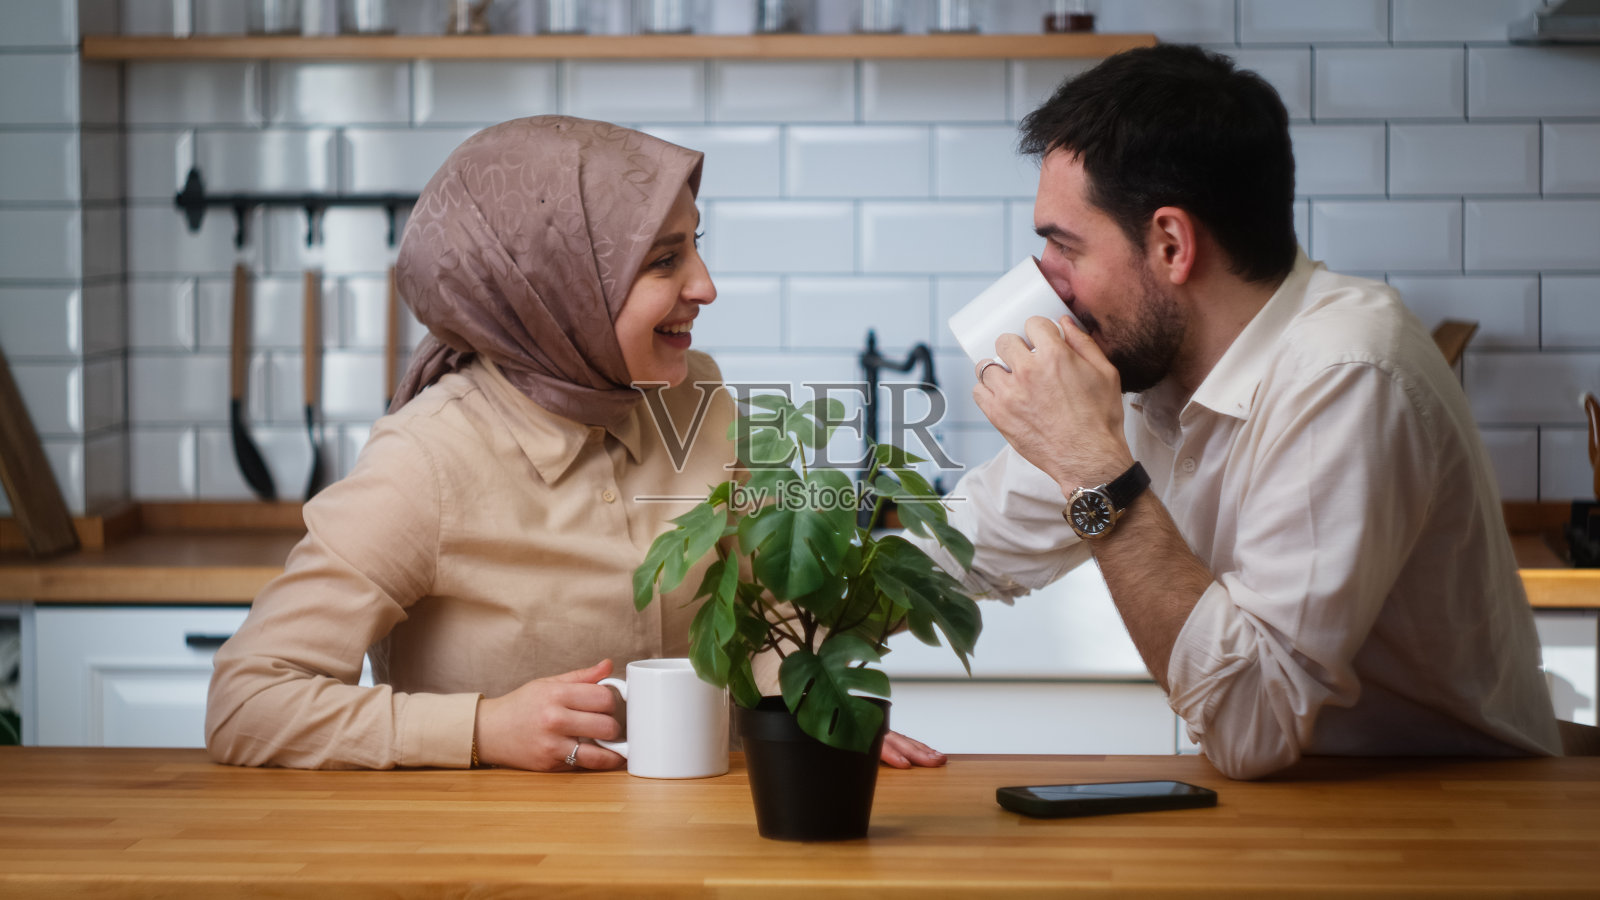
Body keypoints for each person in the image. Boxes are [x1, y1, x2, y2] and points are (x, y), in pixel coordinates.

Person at [205, 116, 943, 771]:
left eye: (695, 248)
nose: (706, 286)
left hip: (700, 850)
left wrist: (815, 714)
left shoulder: (700, 399)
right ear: (552, 287)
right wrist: (480, 728)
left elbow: (768, 612)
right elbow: (246, 702)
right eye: (663, 261)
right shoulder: (424, 462)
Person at [936, 45, 1561, 779]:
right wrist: (793, 663)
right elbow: (957, 544)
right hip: (1296, 817)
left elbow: (1253, 727)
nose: (1045, 281)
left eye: (1063, 246)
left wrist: (1089, 464)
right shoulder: (1144, 371)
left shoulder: (1347, 373)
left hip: (1451, 822)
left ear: (1170, 243)